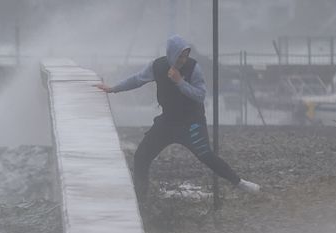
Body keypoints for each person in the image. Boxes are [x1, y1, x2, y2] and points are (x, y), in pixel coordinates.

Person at [97, 35, 260, 200]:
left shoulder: (193, 68)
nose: (183, 60)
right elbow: (137, 79)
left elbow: (200, 95)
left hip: (191, 123)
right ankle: (140, 197)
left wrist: (179, 81)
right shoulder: (157, 66)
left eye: (185, 56)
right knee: (141, 156)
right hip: (167, 122)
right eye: (179, 56)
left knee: (206, 156)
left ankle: (240, 183)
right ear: (171, 54)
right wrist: (113, 89)